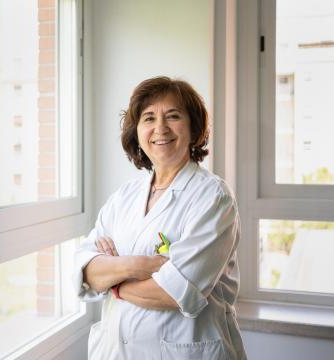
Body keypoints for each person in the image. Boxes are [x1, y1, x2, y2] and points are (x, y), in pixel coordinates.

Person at [74, 76, 246, 359]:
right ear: (137, 132)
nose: (160, 128)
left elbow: (174, 292)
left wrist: (112, 280)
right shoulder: (125, 196)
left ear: (194, 129)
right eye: (148, 118)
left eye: (173, 116)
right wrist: (139, 265)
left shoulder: (213, 198)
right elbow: (86, 273)